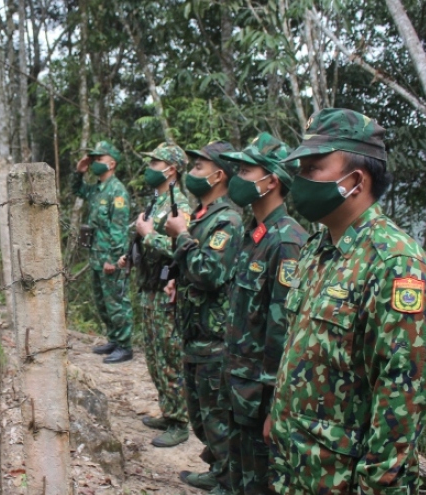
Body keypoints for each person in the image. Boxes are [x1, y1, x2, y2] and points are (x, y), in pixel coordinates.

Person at [266, 108, 426, 494]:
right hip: (295, 465)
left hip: (341, 479)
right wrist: (275, 415)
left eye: (313, 168)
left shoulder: (396, 265)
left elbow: (401, 398)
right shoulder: (317, 248)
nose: (299, 180)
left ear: (355, 181)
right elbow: (302, 348)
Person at [216, 133, 308, 495]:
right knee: (239, 478)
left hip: (259, 397)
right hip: (238, 384)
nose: (236, 176)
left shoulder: (287, 242)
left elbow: (283, 332)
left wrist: (274, 406)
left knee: (260, 483)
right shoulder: (253, 234)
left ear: (271, 181)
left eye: (245, 169)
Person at [164, 141, 243, 492]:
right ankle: (217, 470)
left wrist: (181, 237)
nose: (192, 172)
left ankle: (228, 481)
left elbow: (211, 273)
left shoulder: (227, 220)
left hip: (214, 340)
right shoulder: (201, 215)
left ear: (218, 175)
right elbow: (194, 270)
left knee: (218, 419)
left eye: (198, 167)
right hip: (194, 333)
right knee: (200, 418)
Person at [118, 143, 193, 447]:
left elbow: (181, 249)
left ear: (171, 169)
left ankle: (180, 421)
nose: (149, 167)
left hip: (166, 292)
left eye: (155, 162)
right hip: (148, 291)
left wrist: (149, 234)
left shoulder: (180, 206)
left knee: (170, 359)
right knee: (153, 357)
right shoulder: (157, 201)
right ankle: (168, 410)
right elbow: (143, 238)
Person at [72, 140, 134, 364]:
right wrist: (79, 172)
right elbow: (77, 190)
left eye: (99, 159)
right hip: (96, 256)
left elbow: (118, 229)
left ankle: (125, 346)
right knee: (102, 302)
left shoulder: (117, 191)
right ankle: (115, 340)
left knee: (116, 301)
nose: (95, 163)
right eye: (94, 159)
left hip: (110, 257)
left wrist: (113, 259)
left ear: (112, 163)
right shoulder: (97, 189)